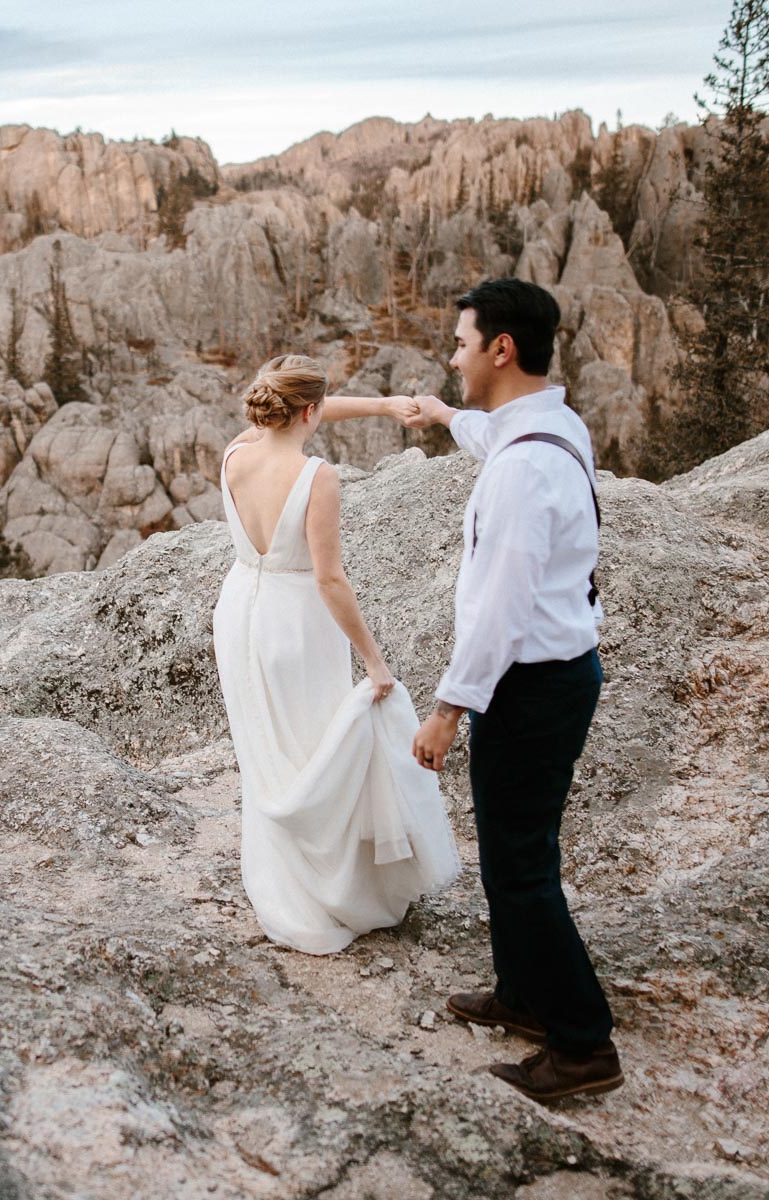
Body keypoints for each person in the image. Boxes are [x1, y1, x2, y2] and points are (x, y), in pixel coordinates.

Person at [406, 278, 622, 1101]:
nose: (453, 354)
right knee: (511, 855)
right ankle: (524, 994)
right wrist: (443, 414)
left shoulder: (523, 472)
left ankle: (581, 1044)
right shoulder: (547, 427)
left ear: (501, 349)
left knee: (521, 868)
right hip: (551, 678)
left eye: (461, 342)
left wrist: (447, 710)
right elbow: (493, 435)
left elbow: (499, 607)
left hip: (531, 686)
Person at [212, 354, 460, 955]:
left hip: (241, 610)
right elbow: (330, 581)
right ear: (310, 412)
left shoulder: (238, 453)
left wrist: (377, 405)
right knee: (318, 751)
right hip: (297, 624)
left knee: (268, 754)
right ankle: (327, 886)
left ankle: (280, 874)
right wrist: (374, 661)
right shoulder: (316, 476)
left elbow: (304, 406)